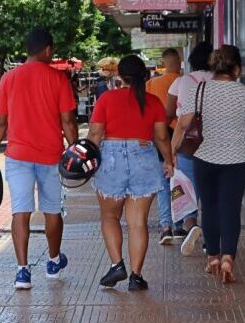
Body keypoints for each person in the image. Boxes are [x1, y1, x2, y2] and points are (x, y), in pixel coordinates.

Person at [0, 28, 79, 290]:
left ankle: (22, 272)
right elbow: (68, 121)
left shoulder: (8, 78)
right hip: (50, 156)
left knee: (20, 211)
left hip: (18, 157)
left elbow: (0, 121)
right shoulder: (58, 80)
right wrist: (75, 150)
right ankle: (53, 261)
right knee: (52, 210)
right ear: (47, 49)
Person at [172, 45, 245, 284]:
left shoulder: (198, 90)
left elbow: (182, 125)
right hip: (237, 159)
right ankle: (228, 258)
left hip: (204, 157)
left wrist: (171, 153)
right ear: (237, 69)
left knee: (209, 207)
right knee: (230, 208)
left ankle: (212, 256)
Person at [88, 55, 174, 290]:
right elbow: (162, 137)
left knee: (109, 217)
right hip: (144, 157)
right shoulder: (153, 102)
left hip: (111, 159)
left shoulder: (106, 99)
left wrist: (87, 159)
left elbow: (95, 135)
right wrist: (169, 160)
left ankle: (117, 264)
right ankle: (136, 276)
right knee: (138, 223)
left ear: (119, 76)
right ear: (144, 77)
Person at [166, 42, 213, 254]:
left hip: (188, 142)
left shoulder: (181, 81)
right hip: (214, 143)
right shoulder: (220, 82)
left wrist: (171, 149)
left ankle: (191, 224)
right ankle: (210, 240)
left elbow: (170, 114)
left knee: (186, 188)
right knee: (211, 192)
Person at [145, 48, 182, 245]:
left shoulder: (152, 84)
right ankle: (180, 223)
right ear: (179, 60)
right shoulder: (186, 82)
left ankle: (166, 225)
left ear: (163, 62)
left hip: (159, 138)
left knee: (163, 184)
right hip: (182, 138)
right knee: (179, 183)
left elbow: (146, 113)